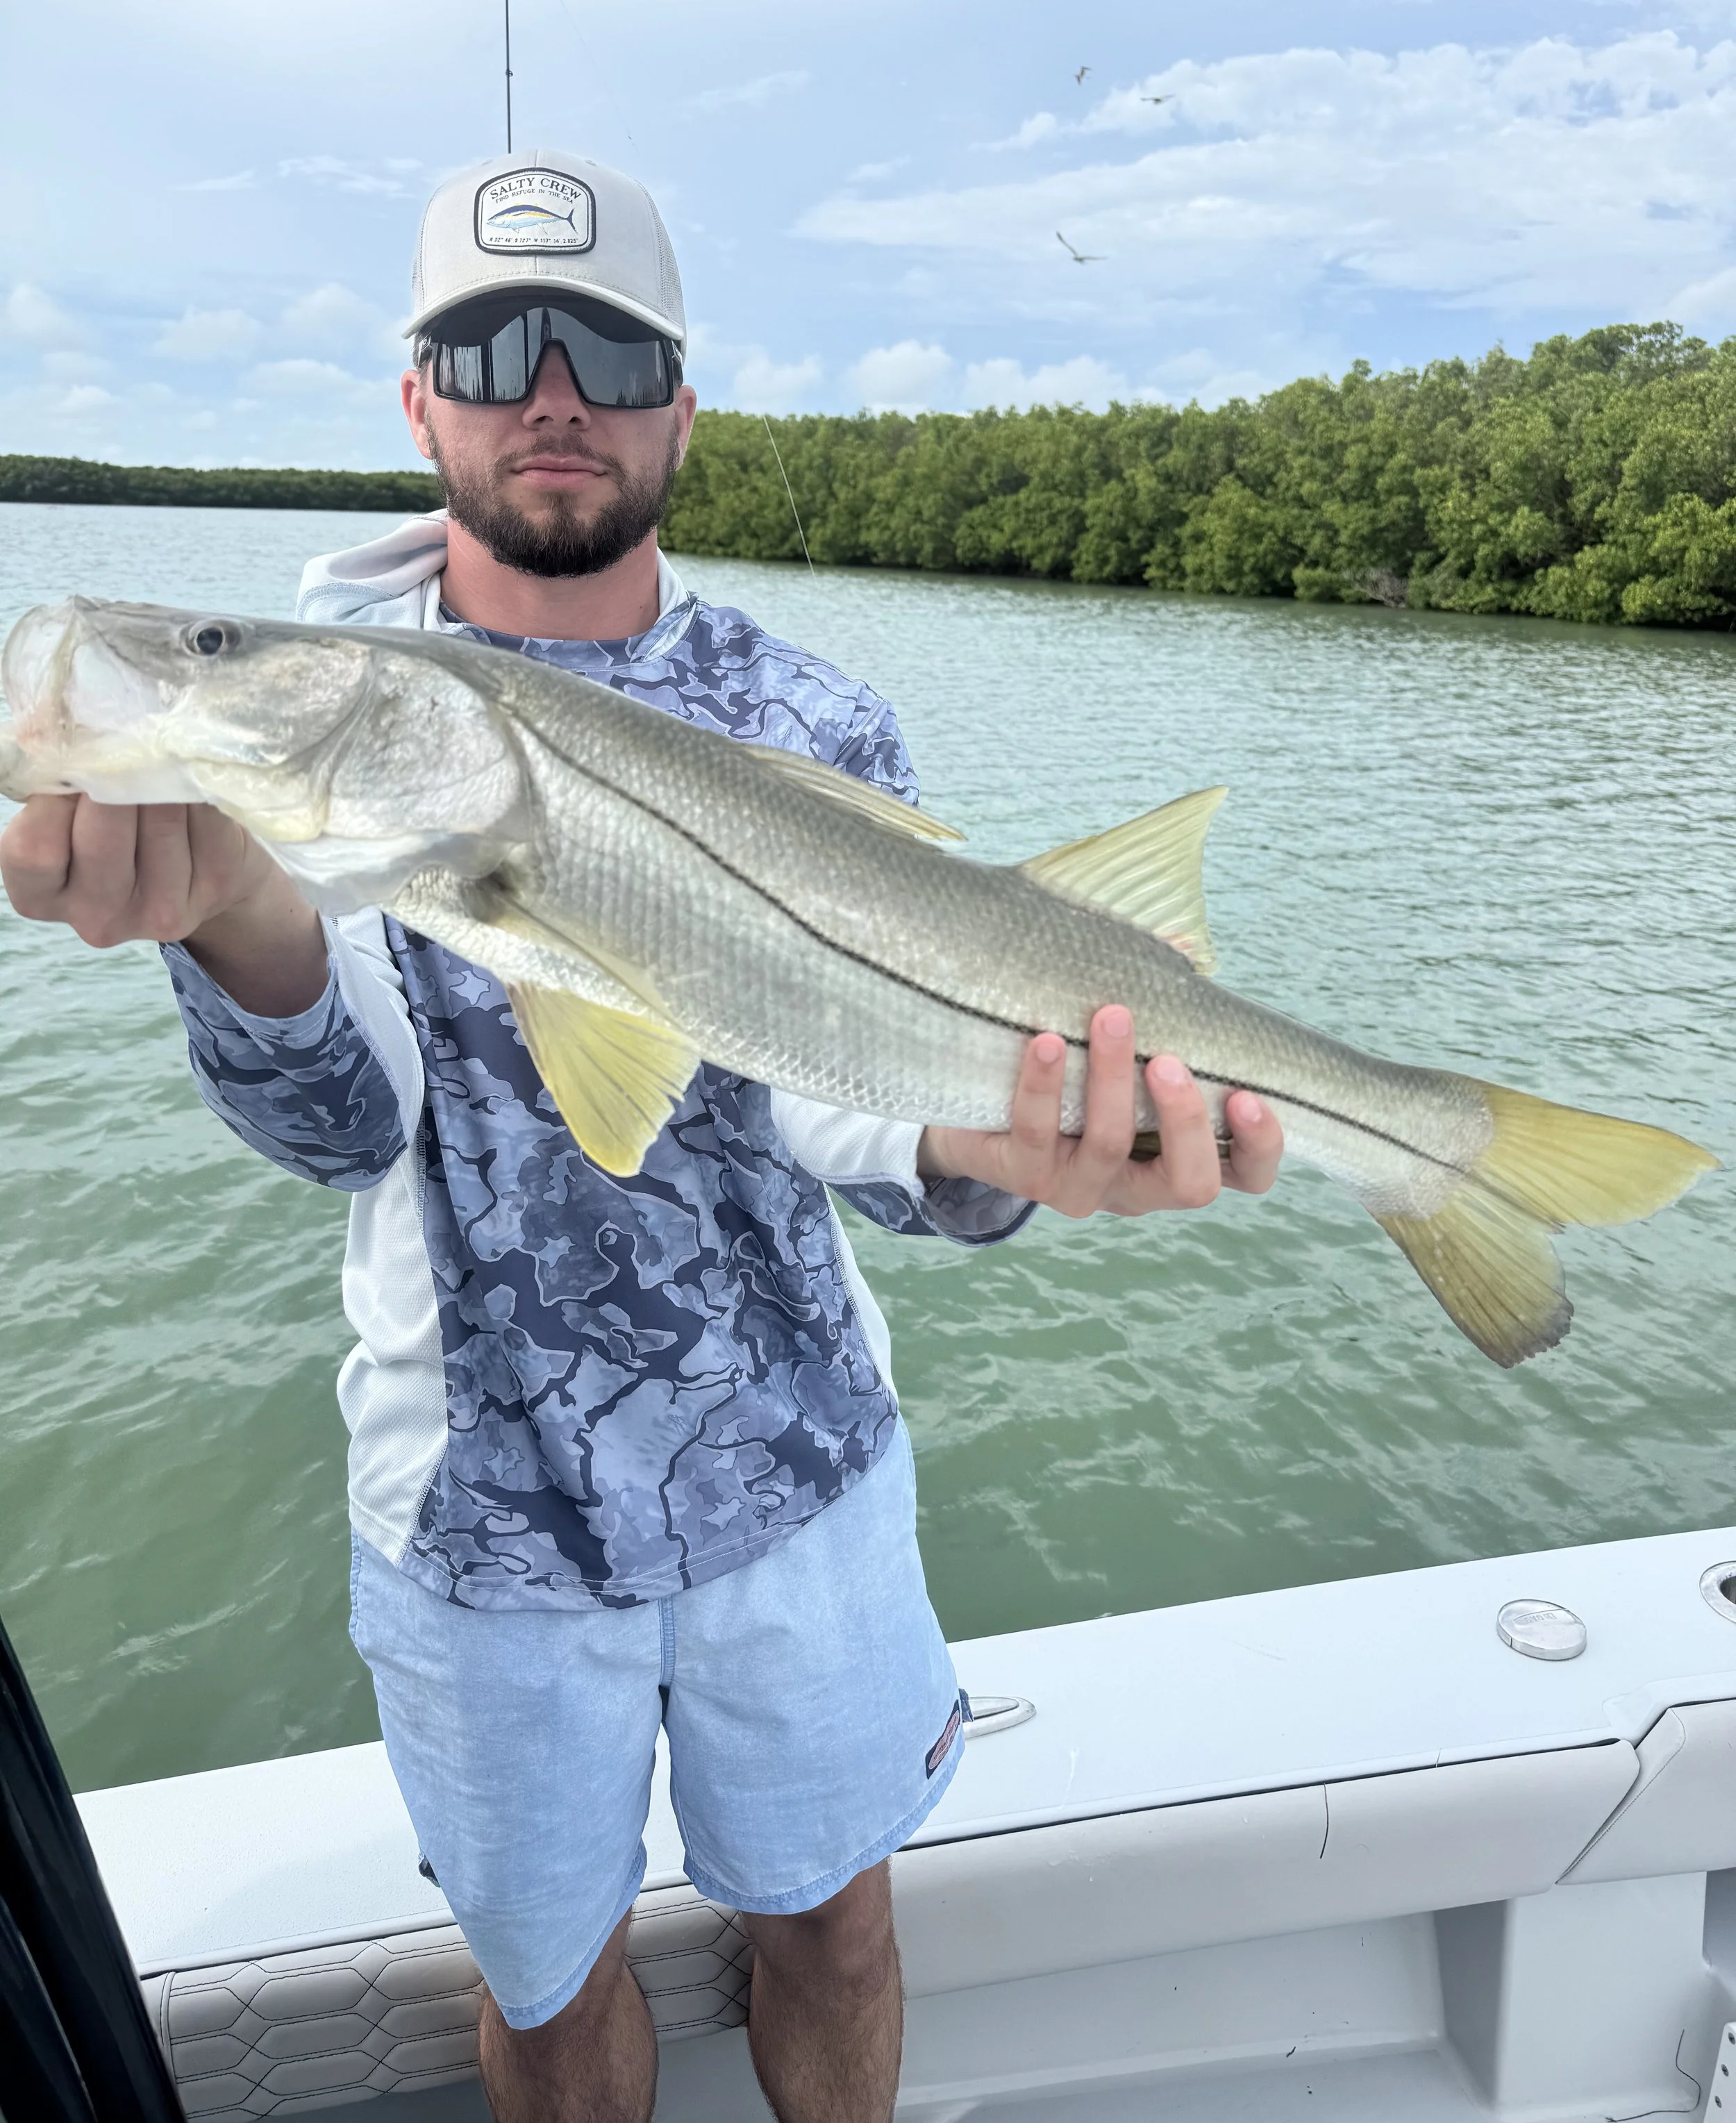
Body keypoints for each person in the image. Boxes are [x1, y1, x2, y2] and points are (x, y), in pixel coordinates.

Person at [0, 151, 1283, 2123]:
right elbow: (346, 1130)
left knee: (839, 1928)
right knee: (539, 1995)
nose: (550, 387)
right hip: (479, 1525)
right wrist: (246, 926)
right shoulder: (321, 717)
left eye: (606, 343)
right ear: (415, 397)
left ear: (680, 401)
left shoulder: (810, 712)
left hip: (803, 1476)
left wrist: (1000, 1156)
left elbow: (865, 1108)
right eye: (487, 342)